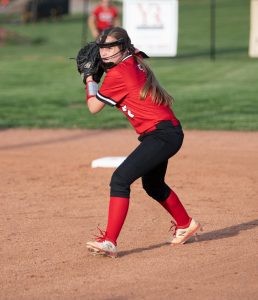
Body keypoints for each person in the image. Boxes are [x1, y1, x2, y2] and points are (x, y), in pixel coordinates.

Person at [83, 27, 201, 258]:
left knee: (120, 179)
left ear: (123, 47)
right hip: (165, 133)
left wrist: (89, 78)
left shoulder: (119, 74)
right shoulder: (132, 59)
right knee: (153, 185)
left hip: (161, 135)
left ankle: (109, 241)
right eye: (102, 49)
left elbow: (93, 107)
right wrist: (101, 72)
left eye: (110, 48)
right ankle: (185, 224)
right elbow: (136, 52)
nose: (104, 54)